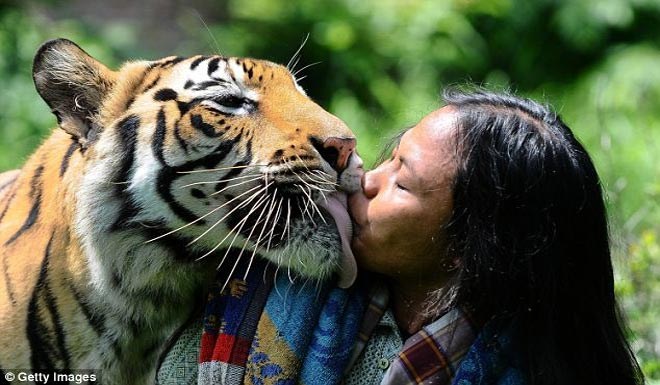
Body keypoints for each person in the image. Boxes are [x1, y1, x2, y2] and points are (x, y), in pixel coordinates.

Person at [344, 88, 645, 385]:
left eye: (403, 184)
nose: (367, 180)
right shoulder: (321, 295)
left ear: (469, 246)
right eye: (393, 157)